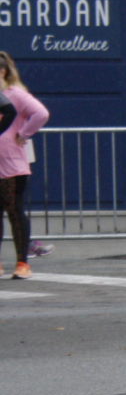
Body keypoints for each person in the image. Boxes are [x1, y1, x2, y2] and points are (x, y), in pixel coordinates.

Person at [0, 54, 47, 279]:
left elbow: (41, 113)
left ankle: (22, 264)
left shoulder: (15, 94)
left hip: (10, 162)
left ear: (2, 72)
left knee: (14, 210)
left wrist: (23, 134)